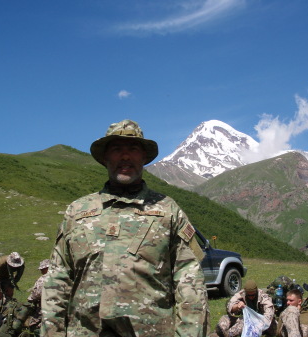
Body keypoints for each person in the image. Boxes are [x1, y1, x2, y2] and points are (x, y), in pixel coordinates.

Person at [41, 119, 209, 337]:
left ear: (144, 157)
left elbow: (190, 283)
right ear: (105, 157)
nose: (125, 156)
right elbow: (57, 280)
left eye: (133, 149)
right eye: (116, 149)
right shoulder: (77, 211)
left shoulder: (168, 210)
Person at [0, 252, 25, 318]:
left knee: (9, 295)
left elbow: (17, 277)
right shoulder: (1, 263)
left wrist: (11, 286)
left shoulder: (21, 264)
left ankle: (7, 316)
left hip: (6, 276)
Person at [27, 259, 50, 330]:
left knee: (32, 325)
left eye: (42, 269)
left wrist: (30, 298)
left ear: (47, 268)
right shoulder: (60, 276)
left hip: (44, 308)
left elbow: (35, 295)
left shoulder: (42, 280)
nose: (41, 271)